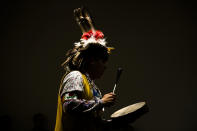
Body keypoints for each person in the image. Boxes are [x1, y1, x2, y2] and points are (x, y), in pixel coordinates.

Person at [54, 7, 116, 131]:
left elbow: (89, 121)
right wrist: (101, 102)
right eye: (103, 61)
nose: (105, 66)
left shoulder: (91, 85)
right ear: (92, 61)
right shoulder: (75, 76)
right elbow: (69, 104)